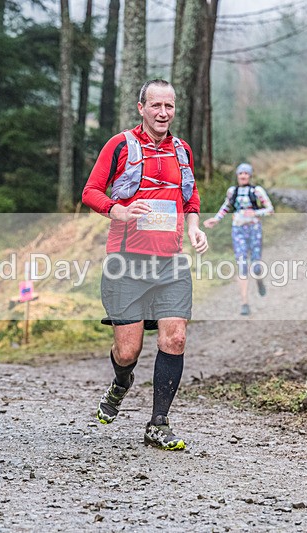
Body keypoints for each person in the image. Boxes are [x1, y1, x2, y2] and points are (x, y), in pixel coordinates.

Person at [81, 79, 208, 451]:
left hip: (170, 263)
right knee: (127, 352)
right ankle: (122, 381)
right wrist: (117, 210)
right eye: (156, 105)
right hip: (127, 263)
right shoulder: (120, 145)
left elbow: (190, 197)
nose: (163, 113)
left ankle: (158, 423)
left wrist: (195, 228)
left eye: (169, 106)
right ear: (141, 108)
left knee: (176, 338)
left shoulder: (182, 150)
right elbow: (90, 191)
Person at [203, 163, 274, 316]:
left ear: (250, 175)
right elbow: (226, 206)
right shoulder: (232, 191)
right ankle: (244, 303)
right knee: (242, 265)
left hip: (254, 230)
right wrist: (216, 219)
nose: (243, 176)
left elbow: (270, 210)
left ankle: (259, 280)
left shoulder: (257, 191)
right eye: (241, 173)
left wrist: (255, 213)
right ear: (237, 175)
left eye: (246, 173)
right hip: (238, 230)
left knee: (256, 265)